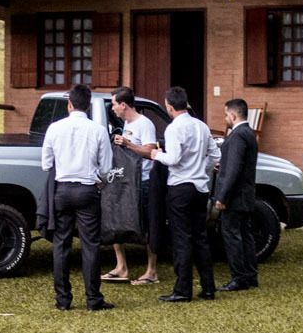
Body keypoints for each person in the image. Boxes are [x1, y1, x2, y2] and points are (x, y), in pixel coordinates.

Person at [42, 83, 115, 311]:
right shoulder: (98, 130)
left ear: (69, 104)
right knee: (90, 245)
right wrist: (98, 178)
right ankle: (93, 299)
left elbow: (46, 164)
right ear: (88, 106)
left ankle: (63, 299)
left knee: (61, 244)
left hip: (62, 190)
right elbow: (106, 167)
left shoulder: (54, 128)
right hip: (87, 190)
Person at [147, 86, 220, 302]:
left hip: (180, 187)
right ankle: (208, 287)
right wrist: (201, 169)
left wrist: (157, 155)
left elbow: (174, 159)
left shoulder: (173, 128)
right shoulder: (201, 126)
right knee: (201, 238)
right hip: (200, 188)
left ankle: (182, 289)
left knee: (181, 239)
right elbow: (215, 154)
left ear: (169, 106)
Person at [101, 86, 160, 285]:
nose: (113, 109)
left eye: (115, 104)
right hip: (125, 180)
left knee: (146, 224)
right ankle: (121, 267)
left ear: (124, 104)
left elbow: (150, 152)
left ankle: (151, 271)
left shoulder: (145, 124)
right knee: (116, 218)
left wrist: (128, 144)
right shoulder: (126, 123)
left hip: (143, 181)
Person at [215, 98, 260, 290]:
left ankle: (239, 277)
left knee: (232, 235)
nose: (225, 118)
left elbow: (234, 168)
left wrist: (222, 196)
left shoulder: (237, 135)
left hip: (235, 195)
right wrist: (222, 167)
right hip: (246, 193)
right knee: (245, 235)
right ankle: (250, 275)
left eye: (226, 114)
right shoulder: (249, 133)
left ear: (233, 115)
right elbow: (237, 165)